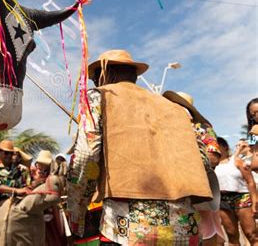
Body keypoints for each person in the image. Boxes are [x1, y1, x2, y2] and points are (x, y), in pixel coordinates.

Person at [66, 49, 212, 245]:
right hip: (186, 228)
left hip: (129, 231)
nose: (94, 83)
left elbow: (86, 157)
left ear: (106, 73)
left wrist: (76, 213)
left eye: (94, 78)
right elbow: (203, 162)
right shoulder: (176, 108)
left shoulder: (97, 97)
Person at [163, 91, 224, 245]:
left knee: (206, 232)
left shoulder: (201, 128)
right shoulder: (163, 129)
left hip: (200, 191)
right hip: (172, 193)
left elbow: (213, 157)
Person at [0, 140, 30, 243]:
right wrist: (16, 190)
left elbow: (23, 186)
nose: (9, 155)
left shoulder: (18, 169)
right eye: (6, 153)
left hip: (15, 200)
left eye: (11, 153)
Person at [215, 137, 257, 245]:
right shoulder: (212, 165)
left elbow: (250, 181)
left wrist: (255, 200)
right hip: (223, 200)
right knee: (232, 236)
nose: (214, 148)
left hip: (242, 198)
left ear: (225, 147)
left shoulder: (236, 160)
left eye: (217, 145)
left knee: (251, 234)